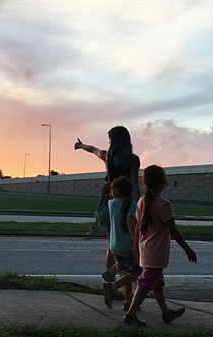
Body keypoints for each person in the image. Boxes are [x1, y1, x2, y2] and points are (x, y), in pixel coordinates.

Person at [123, 165, 197, 327]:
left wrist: (136, 245)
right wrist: (188, 249)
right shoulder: (164, 205)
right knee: (145, 283)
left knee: (156, 283)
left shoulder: (142, 201)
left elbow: (137, 227)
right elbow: (174, 231)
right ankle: (130, 315)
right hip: (156, 252)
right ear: (163, 182)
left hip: (146, 249)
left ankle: (166, 313)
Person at [74, 126, 141, 282]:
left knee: (112, 244)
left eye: (110, 139)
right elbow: (135, 185)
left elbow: (93, 149)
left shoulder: (107, 156)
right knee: (130, 243)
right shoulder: (133, 159)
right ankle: (124, 284)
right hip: (127, 204)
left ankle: (111, 281)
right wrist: (139, 206)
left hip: (111, 203)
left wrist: (80, 146)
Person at [103, 176, 141, 311]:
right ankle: (112, 286)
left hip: (114, 246)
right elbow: (130, 223)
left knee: (125, 274)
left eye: (112, 189)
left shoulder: (111, 204)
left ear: (117, 191)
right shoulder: (132, 205)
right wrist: (136, 243)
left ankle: (128, 301)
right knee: (136, 272)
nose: (110, 191)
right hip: (126, 245)